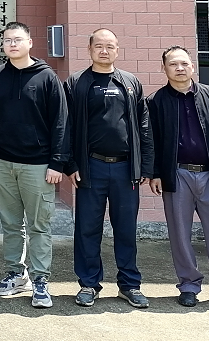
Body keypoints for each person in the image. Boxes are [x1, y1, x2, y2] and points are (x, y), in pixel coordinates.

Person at [147, 46, 209, 310]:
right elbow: (152, 141)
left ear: (193, 66)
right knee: (179, 234)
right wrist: (155, 173)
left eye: (184, 63)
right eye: (173, 64)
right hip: (176, 175)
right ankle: (189, 286)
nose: (179, 68)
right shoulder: (156, 101)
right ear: (164, 69)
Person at [63, 28, 153, 308]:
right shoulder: (77, 83)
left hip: (126, 169)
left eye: (109, 46)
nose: (104, 51)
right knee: (87, 229)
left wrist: (145, 166)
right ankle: (89, 284)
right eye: (99, 46)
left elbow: (144, 125)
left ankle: (129, 284)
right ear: (89, 49)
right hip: (91, 167)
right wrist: (71, 164)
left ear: (117, 50)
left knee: (126, 229)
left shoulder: (130, 82)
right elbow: (66, 126)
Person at [0, 22, 69, 309]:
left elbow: (60, 122)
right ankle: (15, 274)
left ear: (30, 43)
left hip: (38, 165)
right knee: (10, 223)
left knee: (38, 225)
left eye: (18, 39)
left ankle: (40, 280)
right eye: (8, 40)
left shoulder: (47, 77)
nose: (12, 44)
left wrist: (57, 162)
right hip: (2, 162)